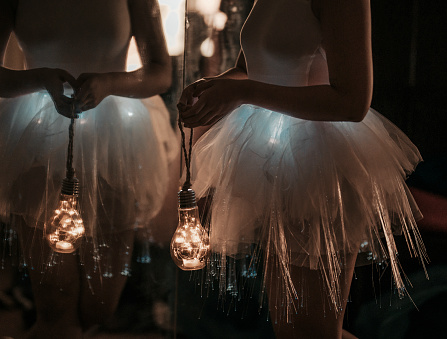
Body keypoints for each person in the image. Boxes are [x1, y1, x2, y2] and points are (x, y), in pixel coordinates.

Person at [178, 0, 427, 338]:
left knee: (314, 332)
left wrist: (243, 92)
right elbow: (251, 67)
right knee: (294, 330)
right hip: (274, 159)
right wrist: (214, 85)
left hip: (320, 168)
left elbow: (353, 102)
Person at [0, 0, 178, 338]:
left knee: (101, 305)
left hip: (116, 134)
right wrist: (40, 77)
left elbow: (160, 70)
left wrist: (109, 82)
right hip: (37, 135)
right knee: (56, 306)